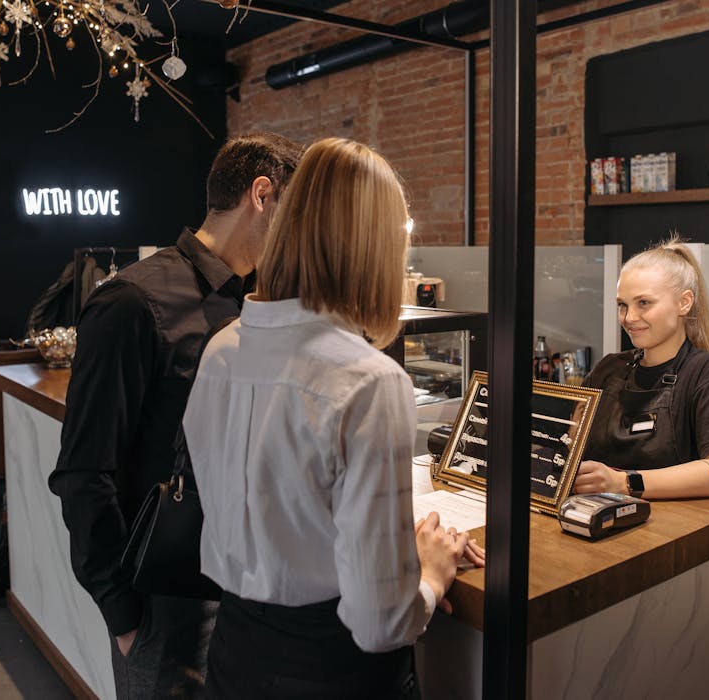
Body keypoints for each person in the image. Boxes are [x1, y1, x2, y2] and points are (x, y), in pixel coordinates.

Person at [184, 137, 485, 699]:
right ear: (373, 251)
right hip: (332, 672)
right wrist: (429, 575)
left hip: (232, 653)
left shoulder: (221, 349)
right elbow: (380, 624)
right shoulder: (368, 381)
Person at [47, 132, 303, 699]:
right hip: (168, 603)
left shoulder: (256, 300)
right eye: (296, 210)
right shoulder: (133, 302)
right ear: (262, 195)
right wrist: (125, 617)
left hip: (246, 588)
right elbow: (83, 474)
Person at [575, 236, 709, 499]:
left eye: (644, 303)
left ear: (684, 302)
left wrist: (623, 483)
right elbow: (571, 442)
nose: (629, 318)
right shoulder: (609, 369)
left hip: (676, 533)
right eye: (623, 305)